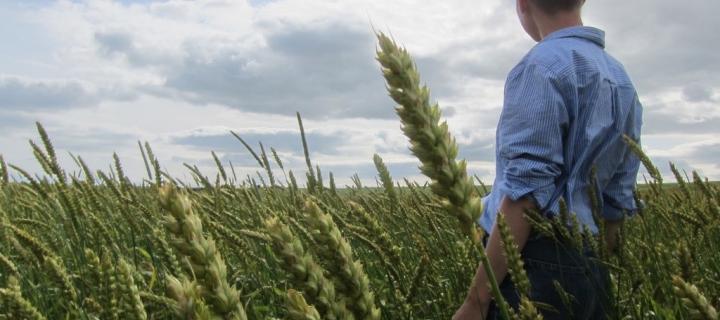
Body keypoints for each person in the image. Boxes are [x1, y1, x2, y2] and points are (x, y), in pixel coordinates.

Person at [453, 0, 643, 319]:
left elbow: (526, 195)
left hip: (534, 265)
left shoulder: (540, 67)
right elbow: (618, 198)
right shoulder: (622, 79)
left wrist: (477, 300)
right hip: (592, 263)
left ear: (522, 4)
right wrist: (592, 271)